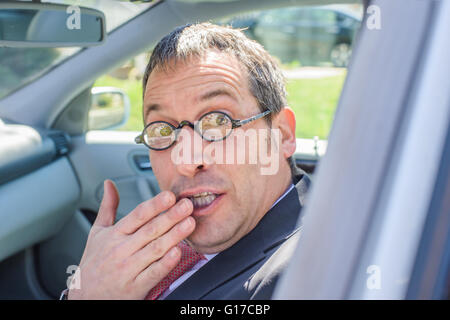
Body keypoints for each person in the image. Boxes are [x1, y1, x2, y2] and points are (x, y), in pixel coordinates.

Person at [66, 23, 310, 300]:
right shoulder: (169, 244)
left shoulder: (304, 273)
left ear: (281, 134)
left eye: (218, 121)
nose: (186, 161)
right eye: (163, 130)